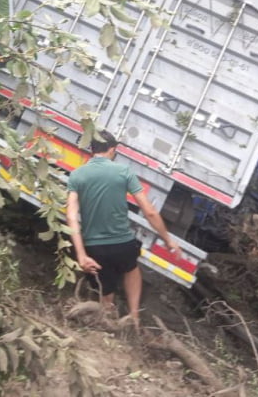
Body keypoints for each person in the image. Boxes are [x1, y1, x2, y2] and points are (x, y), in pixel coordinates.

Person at [66, 129, 182, 329]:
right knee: (131, 268)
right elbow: (150, 212)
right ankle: (134, 317)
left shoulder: (77, 175)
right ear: (112, 150)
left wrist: (82, 254)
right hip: (122, 243)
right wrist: (168, 239)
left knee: (106, 288)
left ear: (92, 149)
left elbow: (70, 216)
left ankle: (108, 318)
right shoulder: (124, 172)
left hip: (95, 247)